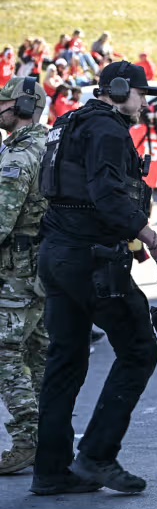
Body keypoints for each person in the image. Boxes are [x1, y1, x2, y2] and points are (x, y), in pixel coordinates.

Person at [32, 61, 157, 496]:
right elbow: (106, 194)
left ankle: (51, 470)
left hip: (58, 253)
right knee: (139, 349)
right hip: (91, 259)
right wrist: (149, 235)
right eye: (142, 94)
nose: (145, 103)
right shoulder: (108, 130)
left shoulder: (67, 121)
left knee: (65, 360)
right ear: (120, 89)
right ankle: (96, 456)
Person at [0, 78, 50, 475]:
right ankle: (48, 437)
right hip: (39, 267)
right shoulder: (46, 144)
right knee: (37, 351)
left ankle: (25, 439)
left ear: (23, 104)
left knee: (6, 353)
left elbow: (3, 218)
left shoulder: (20, 154)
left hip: (16, 271)